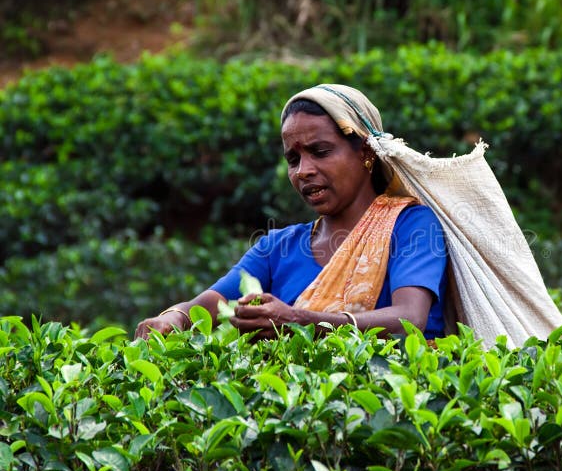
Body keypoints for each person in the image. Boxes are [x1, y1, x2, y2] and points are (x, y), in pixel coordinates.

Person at [134, 84, 447, 341]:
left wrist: (297, 319)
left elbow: (409, 319)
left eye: (320, 152)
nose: (303, 171)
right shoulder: (278, 248)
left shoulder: (412, 225)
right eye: (293, 159)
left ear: (365, 152)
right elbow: (209, 305)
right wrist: (174, 318)